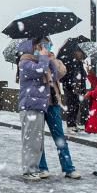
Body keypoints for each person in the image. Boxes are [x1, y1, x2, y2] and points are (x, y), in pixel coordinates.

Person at [33, 38, 81, 179]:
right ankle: (42, 167)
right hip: (38, 104)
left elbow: (61, 72)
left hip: (53, 103)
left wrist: (51, 60)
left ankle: (68, 168)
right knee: (38, 138)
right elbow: (34, 75)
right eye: (44, 44)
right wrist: (41, 59)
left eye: (48, 44)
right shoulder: (31, 59)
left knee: (59, 137)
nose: (47, 46)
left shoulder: (52, 58)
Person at [17, 38, 53, 181]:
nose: (44, 48)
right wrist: (44, 57)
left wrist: (51, 59)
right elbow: (39, 71)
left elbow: (55, 75)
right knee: (30, 140)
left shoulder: (40, 62)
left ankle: (34, 167)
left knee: (37, 141)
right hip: (30, 105)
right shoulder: (25, 63)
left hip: (39, 106)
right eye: (41, 45)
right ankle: (29, 169)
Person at [58, 46, 87, 133]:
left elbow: (82, 75)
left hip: (77, 88)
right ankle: (70, 125)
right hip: (69, 87)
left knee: (76, 105)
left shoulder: (79, 63)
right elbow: (65, 75)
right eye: (81, 53)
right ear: (76, 52)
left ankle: (73, 124)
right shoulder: (69, 61)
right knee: (71, 105)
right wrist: (71, 83)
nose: (82, 55)